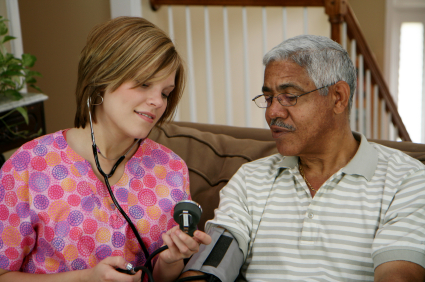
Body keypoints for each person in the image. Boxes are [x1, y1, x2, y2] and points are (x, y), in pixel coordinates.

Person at [179, 35, 425, 281]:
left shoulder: (406, 180)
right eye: (268, 98)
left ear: (338, 97)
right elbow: (210, 267)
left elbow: (399, 276)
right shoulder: (249, 179)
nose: (273, 112)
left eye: (290, 96)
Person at [0, 17, 211, 282]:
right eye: (144, 83)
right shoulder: (28, 165)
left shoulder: (171, 169)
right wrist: (83, 279)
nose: (157, 101)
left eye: (166, 92)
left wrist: (170, 260)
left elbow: (160, 277)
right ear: (101, 78)